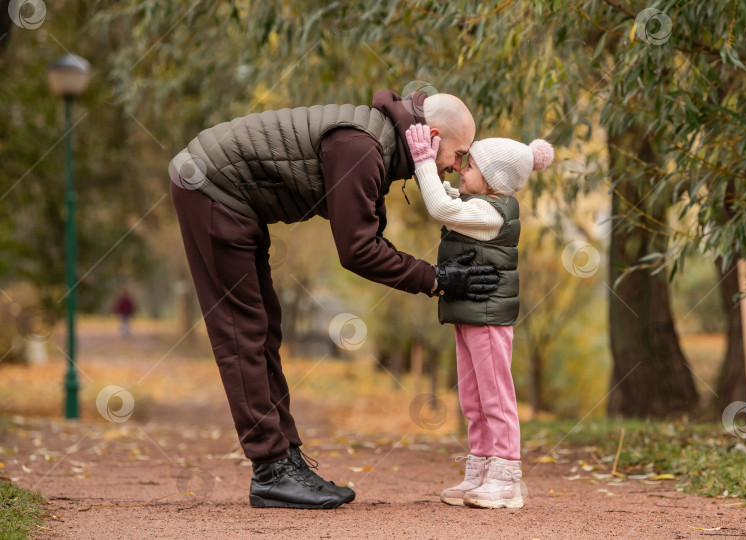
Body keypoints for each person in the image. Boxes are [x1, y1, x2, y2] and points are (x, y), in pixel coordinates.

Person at [169, 89, 500, 510]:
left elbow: (367, 228)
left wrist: (436, 274)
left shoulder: (376, 144)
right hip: (210, 187)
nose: (456, 169)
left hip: (231, 198)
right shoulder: (362, 148)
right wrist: (437, 279)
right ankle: (271, 470)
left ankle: (285, 459)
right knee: (241, 332)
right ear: (432, 135)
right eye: (458, 155)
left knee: (265, 329)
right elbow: (358, 250)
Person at [405, 123, 554, 509]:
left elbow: (439, 205)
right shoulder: (480, 204)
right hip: (469, 314)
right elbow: (444, 194)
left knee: (495, 396)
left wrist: (423, 159)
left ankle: (506, 477)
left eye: (468, 166)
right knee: (472, 398)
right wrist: (433, 158)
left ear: (491, 180)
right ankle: (481, 469)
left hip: (488, 317)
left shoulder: (491, 215)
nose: (461, 170)